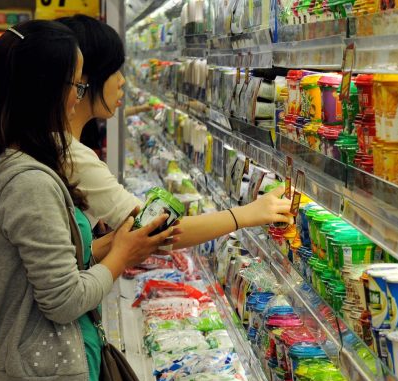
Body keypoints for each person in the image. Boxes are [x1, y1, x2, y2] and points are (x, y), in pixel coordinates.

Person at [0, 21, 176, 381]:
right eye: (77, 84)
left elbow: (39, 267)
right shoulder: (30, 182)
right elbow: (63, 299)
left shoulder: (14, 162)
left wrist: (105, 247)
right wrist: (122, 255)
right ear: (44, 87)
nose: (79, 97)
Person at [57, 15, 293, 242]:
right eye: (114, 70)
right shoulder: (72, 156)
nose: (122, 80)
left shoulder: (62, 145)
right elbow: (155, 228)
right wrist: (246, 214)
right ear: (81, 78)